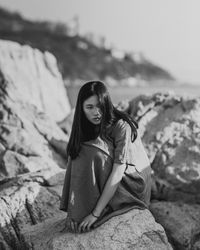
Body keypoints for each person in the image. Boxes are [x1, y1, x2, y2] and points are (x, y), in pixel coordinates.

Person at [59, 80, 151, 233]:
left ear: (107, 104)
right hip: (114, 177)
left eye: (100, 106)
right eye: (90, 107)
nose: (96, 112)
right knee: (76, 151)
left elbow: (117, 172)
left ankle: (97, 208)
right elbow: (78, 163)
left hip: (133, 183)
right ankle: (78, 211)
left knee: (92, 152)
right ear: (81, 109)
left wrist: (95, 214)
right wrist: (74, 209)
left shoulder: (121, 126)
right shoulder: (86, 126)